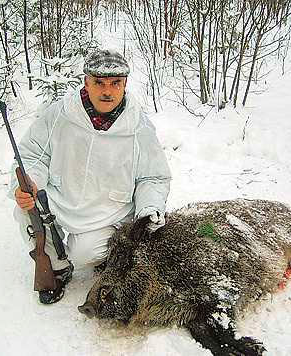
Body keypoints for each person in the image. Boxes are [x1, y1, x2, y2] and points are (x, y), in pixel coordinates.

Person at [10, 49, 171, 304]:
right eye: (99, 82)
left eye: (115, 83)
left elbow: (153, 177)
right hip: (61, 199)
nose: (107, 91)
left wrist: (149, 209)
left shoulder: (138, 126)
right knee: (25, 211)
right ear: (86, 81)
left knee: (84, 253)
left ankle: (104, 256)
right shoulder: (59, 114)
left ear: (125, 85)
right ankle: (57, 267)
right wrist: (31, 183)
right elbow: (32, 156)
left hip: (107, 213)